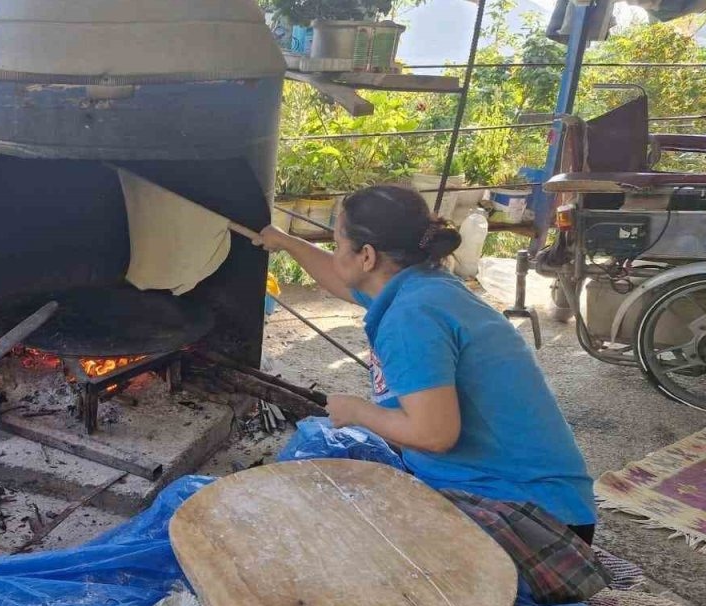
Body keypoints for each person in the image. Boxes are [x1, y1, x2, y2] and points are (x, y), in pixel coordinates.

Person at [255, 184, 596, 539]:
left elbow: (434, 436)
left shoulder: (410, 317)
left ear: (367, 256)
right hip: (535, 498)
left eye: (338, 244)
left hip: (534, 518)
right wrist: (286, 242)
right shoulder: (421, 285)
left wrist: (357, 411)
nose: (335, 252)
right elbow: (341, 281)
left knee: (333, 537)